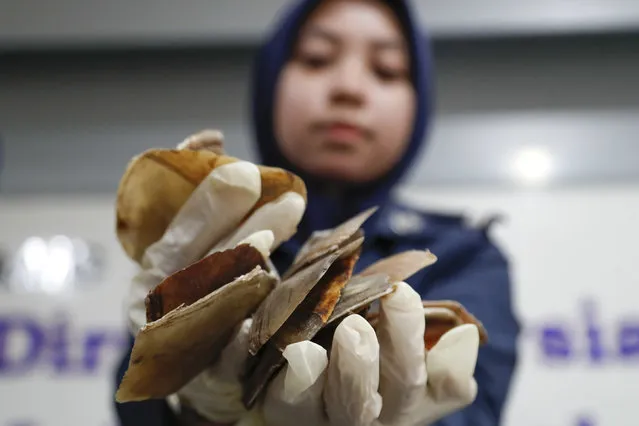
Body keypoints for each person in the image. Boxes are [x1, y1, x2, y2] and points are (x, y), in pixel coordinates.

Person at [113, 0, 520, 425]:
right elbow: (129, 404)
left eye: (386, 69)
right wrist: (191, 404)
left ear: (418, 105)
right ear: (270, 83)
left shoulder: (467, 255)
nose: (348, 87)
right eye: (316, 59)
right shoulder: (209, 236)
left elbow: (477, 404)